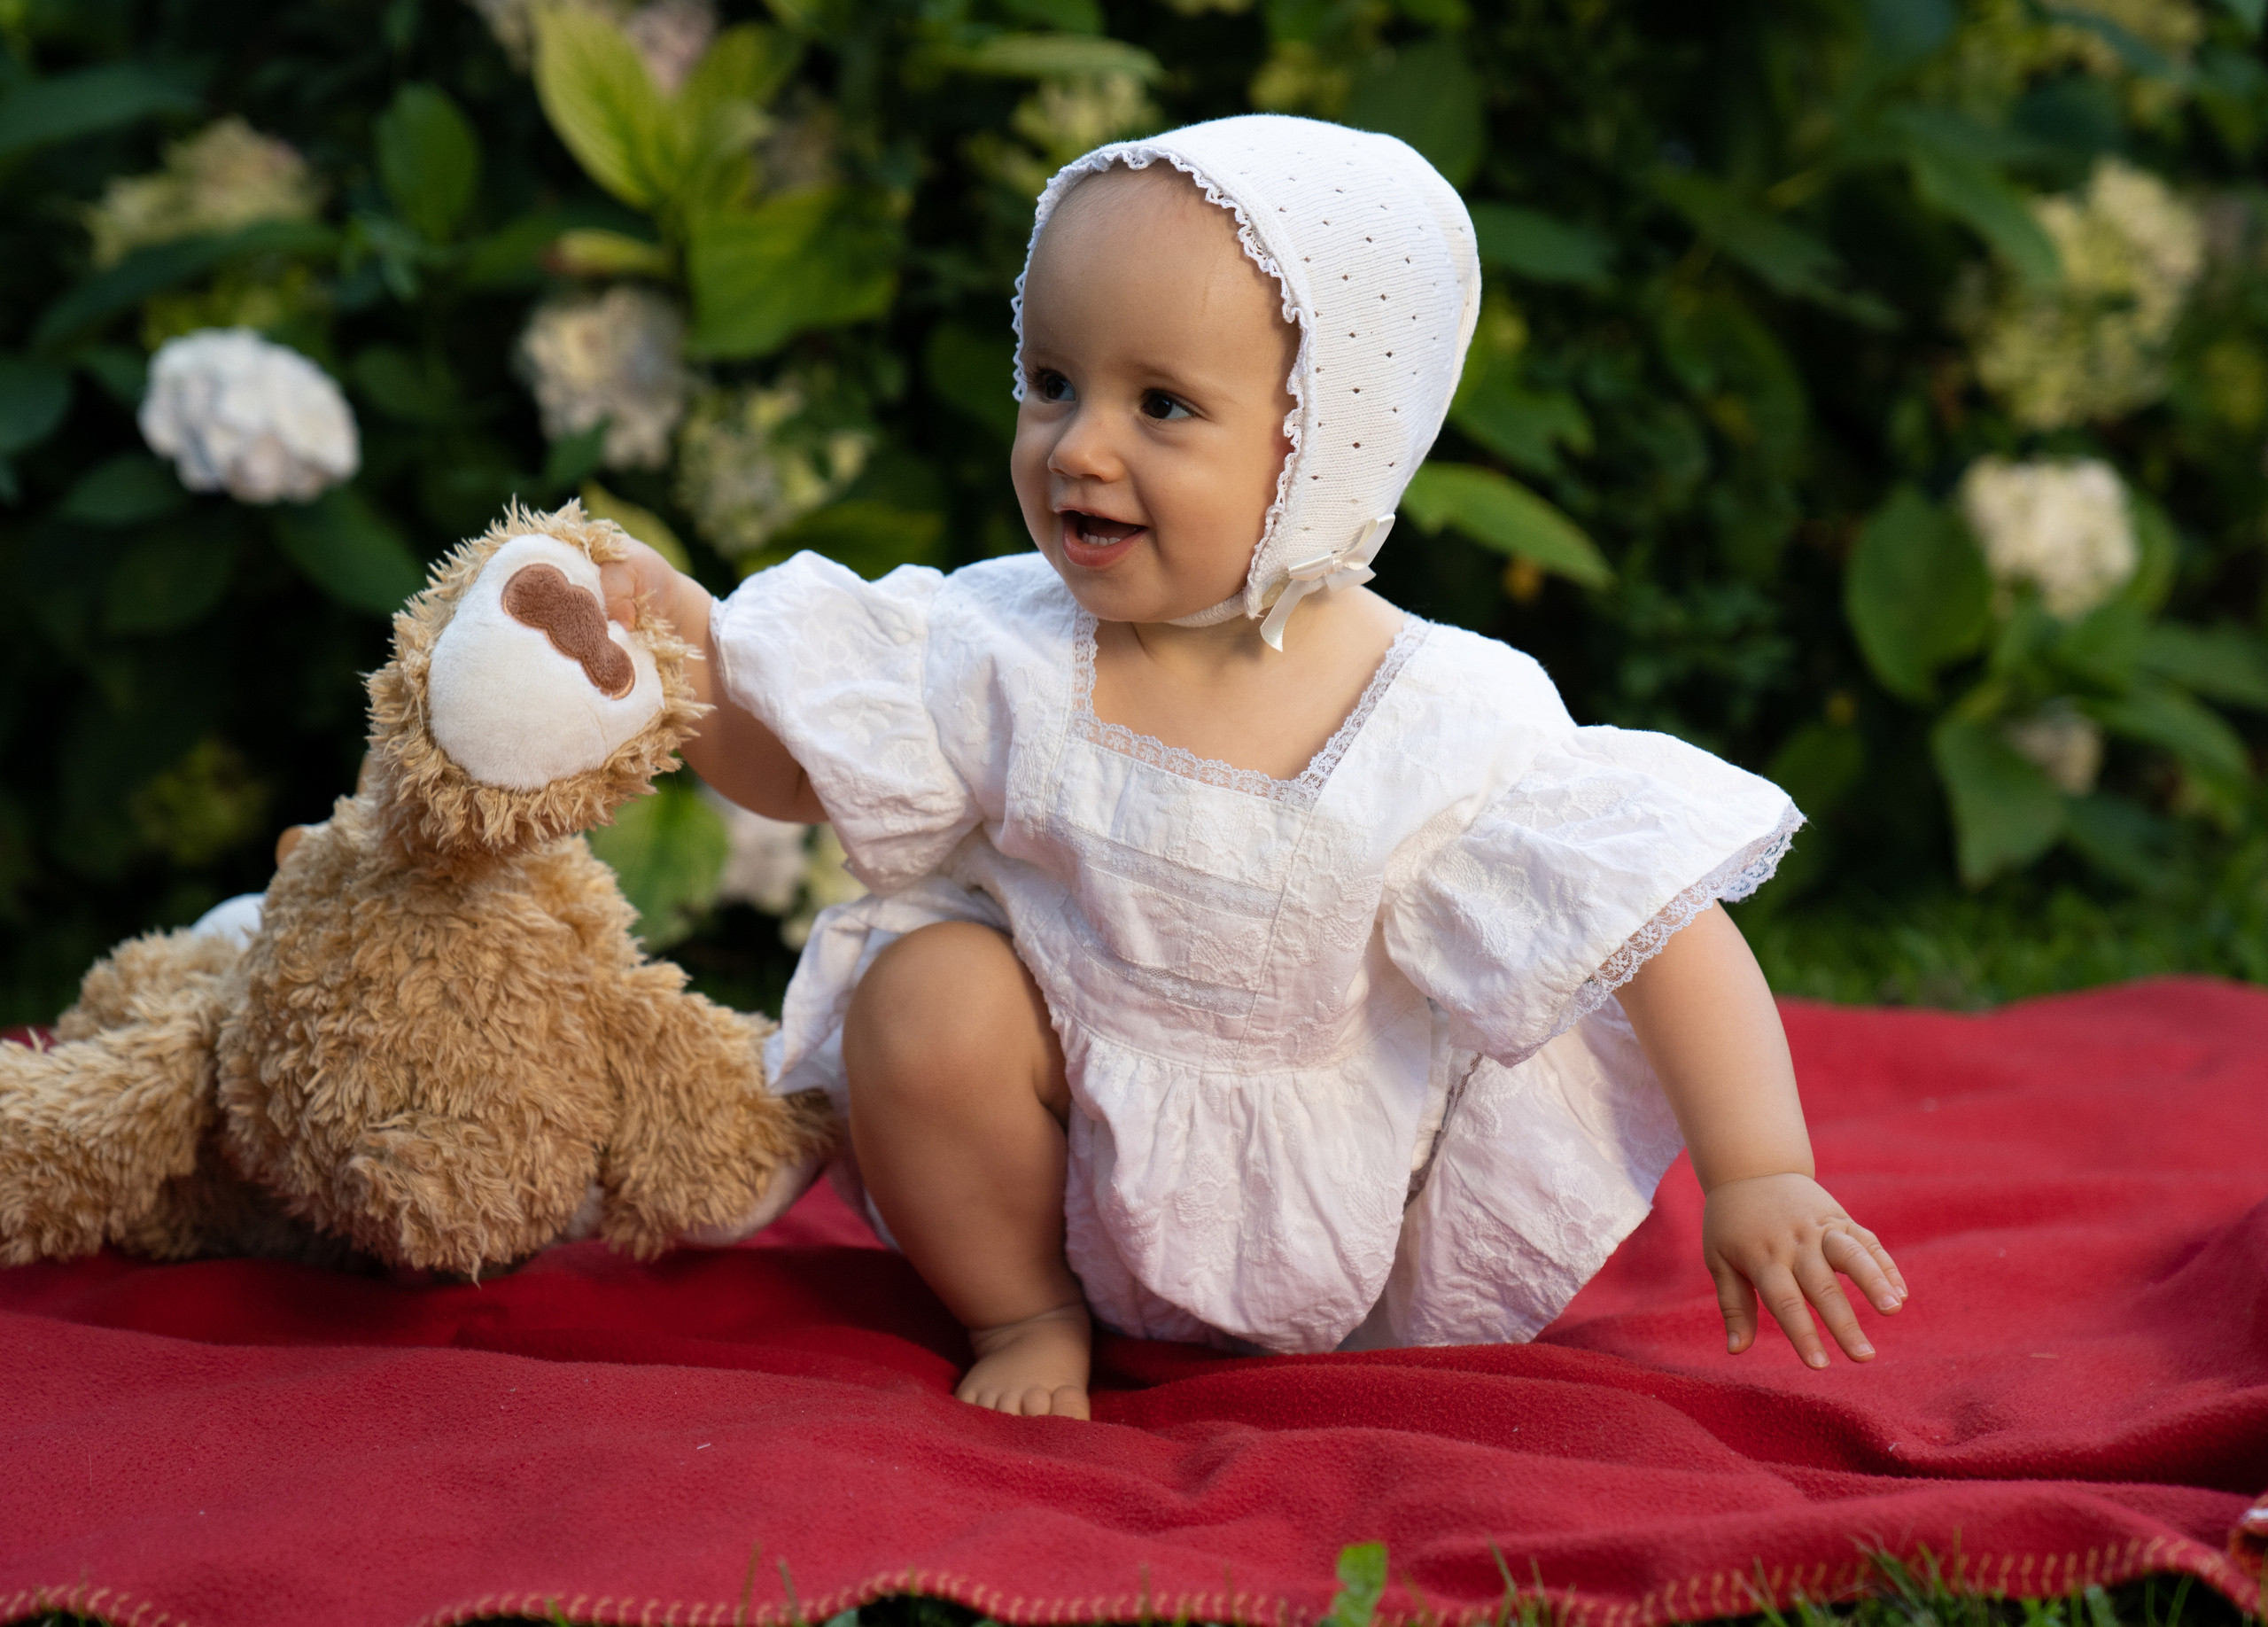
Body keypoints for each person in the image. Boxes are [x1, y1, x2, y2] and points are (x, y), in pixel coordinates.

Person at [600, 114, 1907, 1421]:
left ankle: (1285, 1336)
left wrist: (1759, 1171)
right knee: (923, 994)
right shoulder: (1004, 642)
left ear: (1330, 447)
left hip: (1325, 1202)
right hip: (1052, 1145)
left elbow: (1654, 924)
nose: (1079, 447)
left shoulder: (1442, 715)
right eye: (1052, 381)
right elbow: (793, 771)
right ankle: (1025, 1314)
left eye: (1160, 405)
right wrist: (674, 640)